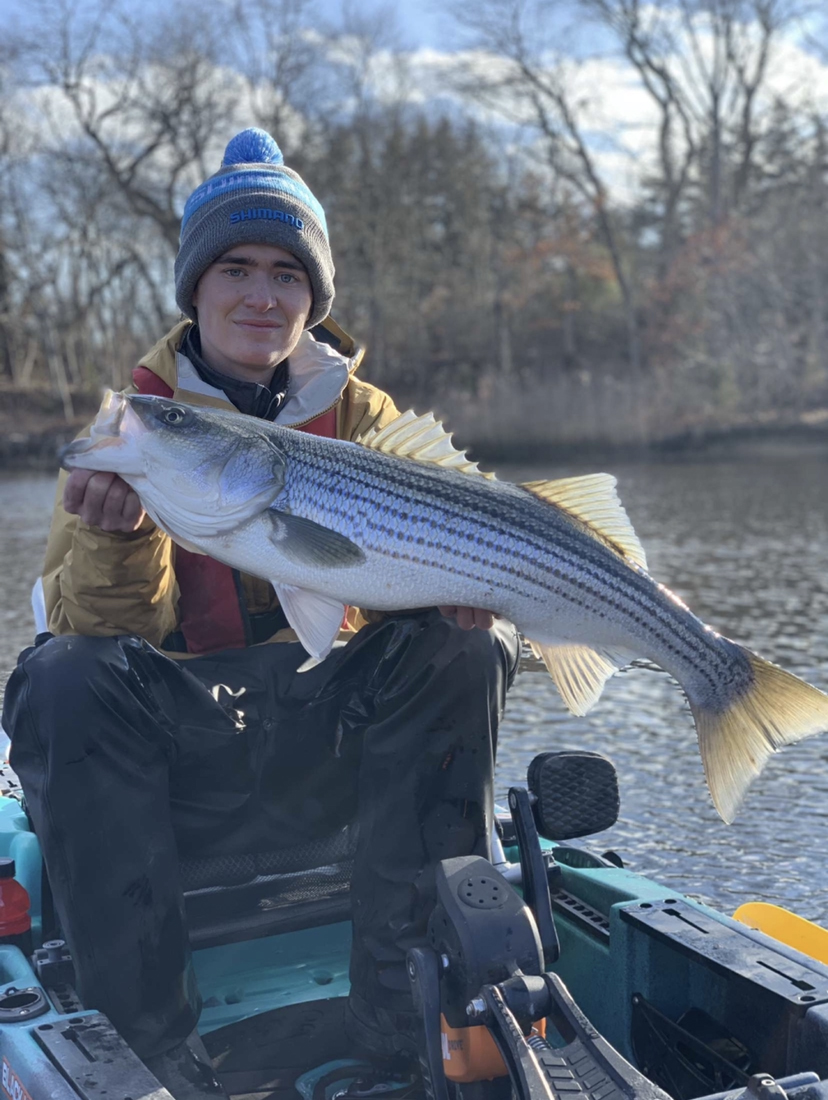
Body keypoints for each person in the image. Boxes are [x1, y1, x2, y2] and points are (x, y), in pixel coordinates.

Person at [1, 129, 520, 1100]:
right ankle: (154, 1062)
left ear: (313, 298)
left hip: (334, 735)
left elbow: (448, 561)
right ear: (193, 287)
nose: (260, 294)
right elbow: (82, 627)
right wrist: (122, 535)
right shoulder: (137, 425)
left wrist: (471, 599)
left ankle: (398, 1041)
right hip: (181, 749)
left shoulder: (367, 416)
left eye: (288, 274)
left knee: (465, 647)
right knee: (58, 674)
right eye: (234, 267)